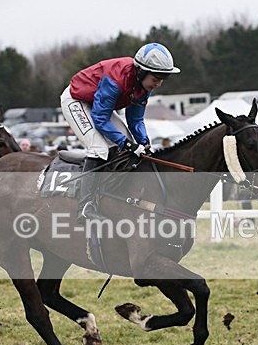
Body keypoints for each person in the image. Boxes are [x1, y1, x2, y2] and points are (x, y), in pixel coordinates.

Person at [60, 42, 180, 222]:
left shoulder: (144, 87)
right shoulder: (116, 80)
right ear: (141, 72)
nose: (158, 84)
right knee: (99, 148)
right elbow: (100, 120)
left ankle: (111, 194)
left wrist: (144, 143)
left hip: (97, 103)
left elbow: (136, 120)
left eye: (163, 79)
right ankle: (85, 207)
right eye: (155, 79)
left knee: (130, 145)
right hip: (76, 100)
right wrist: (130, 144)